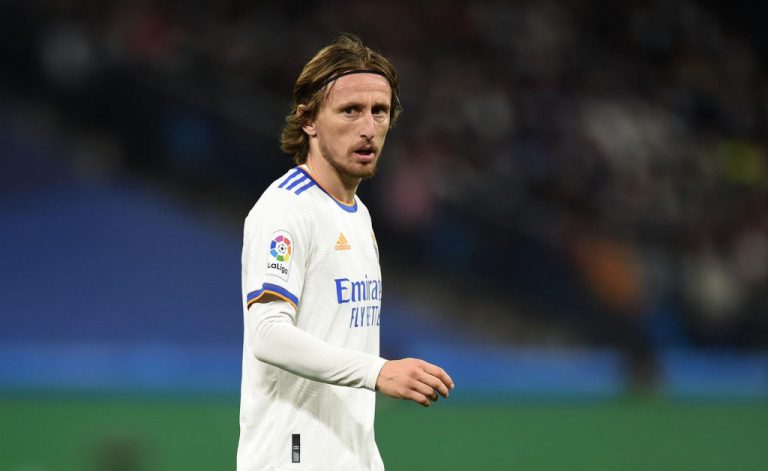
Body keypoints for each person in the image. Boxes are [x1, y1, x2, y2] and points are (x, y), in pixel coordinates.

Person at [237, 34, 454, 470]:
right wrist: (378, 371)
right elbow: (268, 334)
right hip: (292, 459)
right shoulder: (285, 209)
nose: (368, 127)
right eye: (350, 110)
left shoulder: (357, 214)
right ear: (308, 120)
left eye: (380, 111)